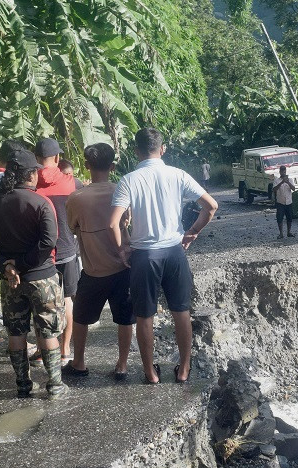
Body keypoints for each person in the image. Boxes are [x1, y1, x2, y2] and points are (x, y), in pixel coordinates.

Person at [109, 128, 218, 384]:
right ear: (163, 148)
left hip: (144, 255)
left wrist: (122, 249)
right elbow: (211, 206)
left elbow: (113, 223)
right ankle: (183, 369)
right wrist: (192, 232)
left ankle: (150, 373)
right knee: (181, 311)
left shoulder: (129, 180)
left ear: (136, 151)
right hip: (174, 251)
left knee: (144, 315)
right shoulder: (177, 175)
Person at [0, 150, 67, 399]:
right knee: (47, 331)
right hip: (42, 278)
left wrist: (6, 266)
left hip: (11, 282)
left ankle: (23, 385)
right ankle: (55, 384)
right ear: (31, 174)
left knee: (16, 332)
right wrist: (24, 264)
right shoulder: (40, 202)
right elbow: (49, 240)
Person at [64, 143, 135, 380]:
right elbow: (127, 222)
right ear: (113, 166)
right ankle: (122, 364)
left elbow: (73, 228)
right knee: (125, 318)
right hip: (122, 267)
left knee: (81, 317)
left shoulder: (76, 198)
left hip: (93, 270)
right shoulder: (122, 191)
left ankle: (79, 362)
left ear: (86, 166)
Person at [33, 138, 80, 366]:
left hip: (40, 253)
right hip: (67, 250)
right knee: (68, 300)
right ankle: (64, 350)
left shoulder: (30, 185)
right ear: (58, 158)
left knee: (41, 302)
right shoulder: (72, 183)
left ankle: (43, 350)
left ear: (36, 159)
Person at [272, 165, 296, 239]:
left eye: (284, 171)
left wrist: (288, 182)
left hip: (288, 202)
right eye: (282, 171)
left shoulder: (290, 179)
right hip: (280, 202)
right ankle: (281, 233)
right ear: (280, 172)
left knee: (289, 218)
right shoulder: (276, 180)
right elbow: (274, 189)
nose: (283, 173)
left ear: (286, 171)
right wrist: (282, 182)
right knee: (279, 218)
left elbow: (294, 189)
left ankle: (289, 232)